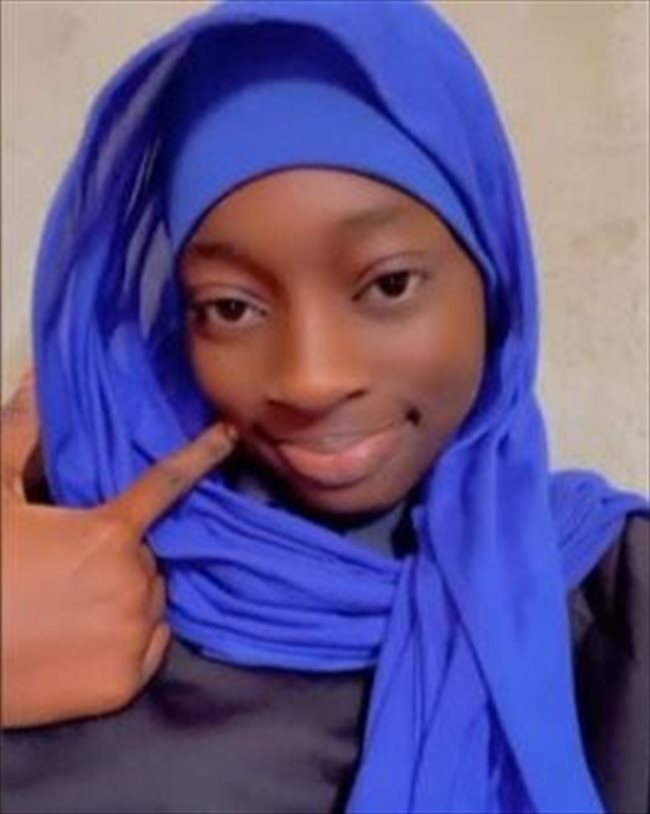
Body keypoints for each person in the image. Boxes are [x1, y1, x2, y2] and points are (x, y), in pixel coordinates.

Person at [1, 2, 648, 813]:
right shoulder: (57, 555)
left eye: (388, 284)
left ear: (492, 279)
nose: (311, 379)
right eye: (231, 307)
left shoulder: (613, 596)